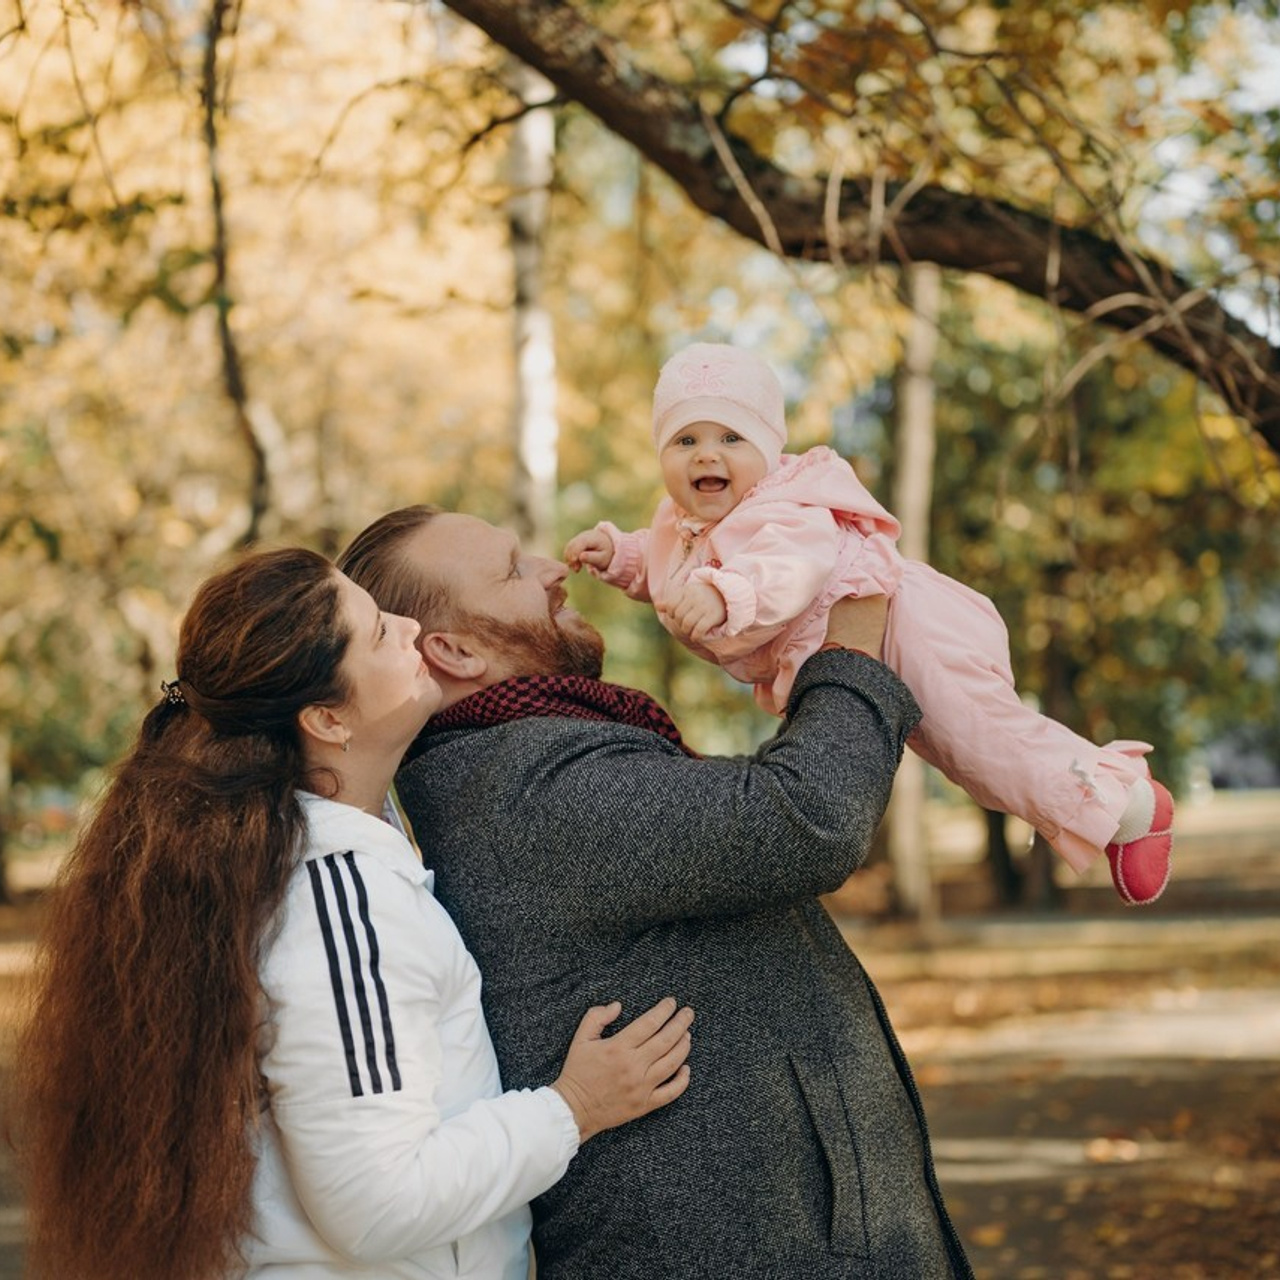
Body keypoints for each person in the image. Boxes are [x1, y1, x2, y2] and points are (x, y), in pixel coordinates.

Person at [14, 546, 694, 1280]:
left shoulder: (315, 868)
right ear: (328, 719)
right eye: (377, 632)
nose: (407, 628)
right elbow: (376, 1204)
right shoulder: (342, 900)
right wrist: (573, 1107)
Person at [338, 506, 974, 1280]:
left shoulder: (521, 762)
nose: (551, 568)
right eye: (511, 569)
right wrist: (848, 647)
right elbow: (807, 817)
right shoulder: (529, 787)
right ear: (455, 650)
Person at [564, 341, 1175, 907]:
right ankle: (1105, 808)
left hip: (911, 624)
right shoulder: (680, 524)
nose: (707, 454)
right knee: (965, 761)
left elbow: (789, 567)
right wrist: (619, 555)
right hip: (864, 646)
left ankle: (1131, 805)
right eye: (685, 440)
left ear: (769, 451)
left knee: (984, 740)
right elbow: (663, 561)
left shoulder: (786, 508)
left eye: (730, 436)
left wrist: (727, 596)